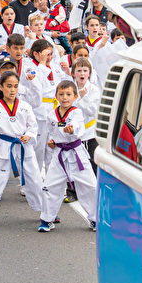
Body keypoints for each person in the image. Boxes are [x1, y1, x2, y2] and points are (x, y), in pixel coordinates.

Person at [0, 71, 42, 221]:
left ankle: (46, 211)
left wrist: (29, 135)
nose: (12, 90)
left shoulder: (25, 106)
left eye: (15, 86)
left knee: (34, 178)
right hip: (4, 146)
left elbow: (33, 126)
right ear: (1, 87)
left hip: (23, 145)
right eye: (9, 86)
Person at [39, 80, 97, 233]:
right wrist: (52, 141)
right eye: (61, 94)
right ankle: (47, 218)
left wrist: (72, 130)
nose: (65, 97)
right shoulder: (51, 114)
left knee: (89, 185)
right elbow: (51, 131)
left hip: (77, 152)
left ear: (75, 96)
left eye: (69, 94)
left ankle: (95, 218)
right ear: (56, 96)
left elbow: (79, 127)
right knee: (50, 185)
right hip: (59, 154)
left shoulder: (77, 112)